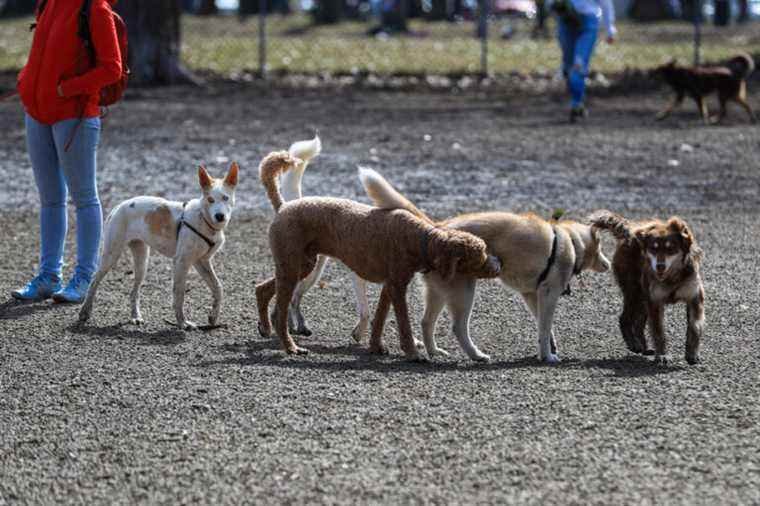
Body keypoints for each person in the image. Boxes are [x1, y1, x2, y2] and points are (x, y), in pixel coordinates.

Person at [12, 0, 122, 303]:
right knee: (49, 199)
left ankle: (84, 278)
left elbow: (111, 68)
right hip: (36, 112)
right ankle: (48, 276)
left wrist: (66, 89)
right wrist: (26, 84)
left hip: (74, 116)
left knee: (84, 198)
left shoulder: (95, 8)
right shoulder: (48, 2)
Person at [555, 0, 616, 122]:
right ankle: (577, 97)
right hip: (566, 21)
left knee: (579, 65)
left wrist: (609, 28)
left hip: (588, 23)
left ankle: (576, 104)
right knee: (568, 66)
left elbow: (605, 3)